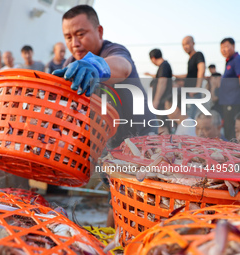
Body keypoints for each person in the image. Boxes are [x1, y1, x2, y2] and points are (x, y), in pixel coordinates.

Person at [52, 5, 156, 228]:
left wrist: (96, 66)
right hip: (108, 147)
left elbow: (123, 67)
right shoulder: (70, 65)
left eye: (81, 34)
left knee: (141, 204)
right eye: (68, 37)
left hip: (143, 142)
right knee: (116, 200)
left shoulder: (113, 51)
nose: (74, 43)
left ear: (99, 31)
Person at [173, 36, 205, 119]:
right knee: (188, 117)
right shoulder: (190, 59)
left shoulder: (198, 55)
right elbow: (189, 75)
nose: (185, 47)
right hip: (188, 93)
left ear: (193, 43)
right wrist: (175, 76)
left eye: (187, 43)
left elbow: (201, 69)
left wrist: (197, 88)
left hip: (194, 93)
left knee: (191, 118)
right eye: (183, 45)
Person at [144, 49, 173, 134]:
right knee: (163, 125)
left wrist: (156, 101)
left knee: (162, 126)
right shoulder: (164, 66)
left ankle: (165, 146)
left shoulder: (163, 66)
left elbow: (162, 83)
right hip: (163, 101)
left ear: (153, 58)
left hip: (162, 102)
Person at [218, 38, 240, 141]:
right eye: (222, 48)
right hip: (227, 101)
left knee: (232, 131)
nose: (224, 50)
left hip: (233, 101)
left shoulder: (237, 60)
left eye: (226, 46)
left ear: (233, 46)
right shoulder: (229, 62)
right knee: (228, 129)